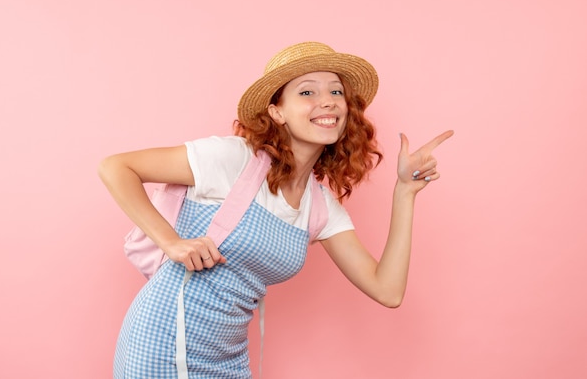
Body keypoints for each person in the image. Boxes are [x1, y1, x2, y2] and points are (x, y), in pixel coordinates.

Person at [98, 41, 453, 378]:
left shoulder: (319, 207)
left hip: (228, 358)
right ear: (276, 111)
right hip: (162, 341)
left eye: (335, 91)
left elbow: (387, 291)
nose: (327, 101)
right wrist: (171, 242)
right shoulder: (232, 159)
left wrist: (405, 191)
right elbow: (116, 167)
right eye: (307, 92)